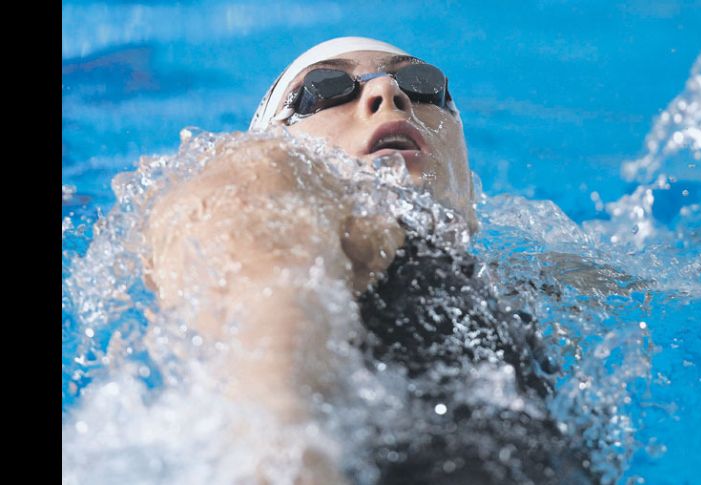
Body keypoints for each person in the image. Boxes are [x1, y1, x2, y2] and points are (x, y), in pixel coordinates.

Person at [143, 37, 599, 484]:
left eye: (425, 84)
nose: (388, 94)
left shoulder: (519, 279)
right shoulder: (270, 172)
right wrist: (284, 440)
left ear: (469, 194)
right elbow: (267, 285)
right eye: (324, 88)